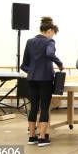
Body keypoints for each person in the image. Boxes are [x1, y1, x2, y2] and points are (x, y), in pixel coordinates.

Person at [20, 16, 63, 147]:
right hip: (45, 79)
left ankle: (32, 137)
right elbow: (50, 54)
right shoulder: (50, 42)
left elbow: (24, 65)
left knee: (33, 107)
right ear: (49, 30)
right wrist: (60, 64)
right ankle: (42, 138)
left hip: (32, 79)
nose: (52, 36)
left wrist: (33, 71)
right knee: (44, 107)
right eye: (53, 33)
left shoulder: (29, 41)